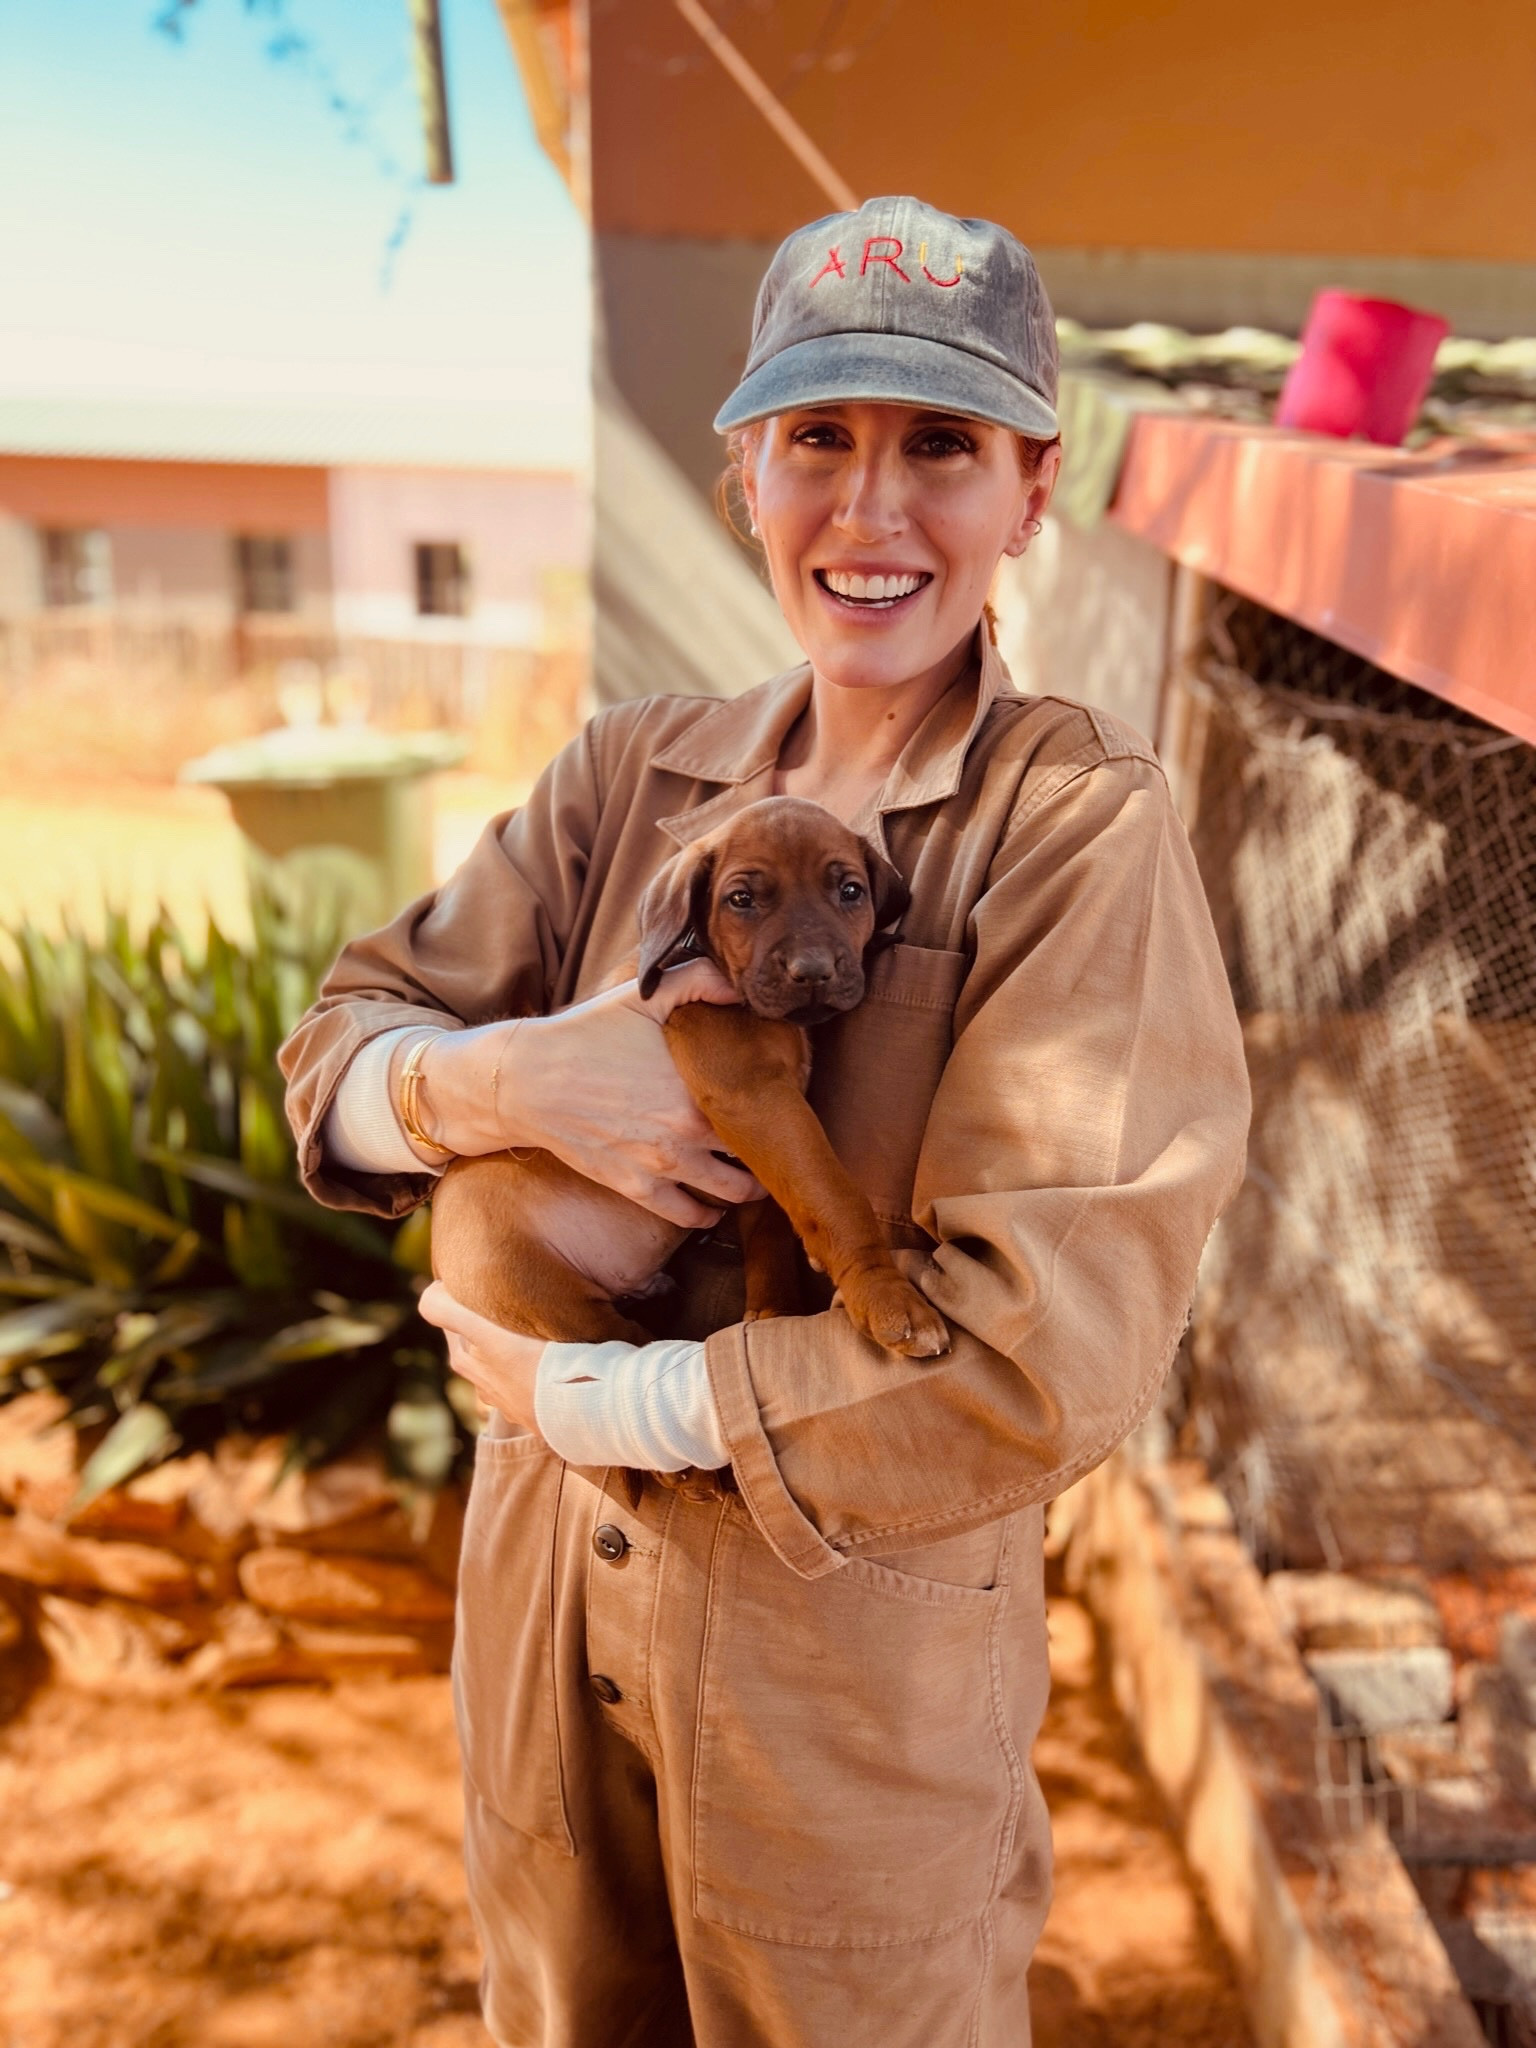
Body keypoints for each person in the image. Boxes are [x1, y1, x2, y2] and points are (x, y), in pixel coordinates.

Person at [279, 195, 1250, 2048]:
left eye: (941, 444)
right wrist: (503, 1080)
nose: (870, 512)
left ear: (1032, 490)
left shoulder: (1071, 828)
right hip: (549, 1649)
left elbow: (1040, 1355)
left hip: (842, 1710)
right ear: (745, 476)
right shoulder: (624, 780)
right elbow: (339, 1050)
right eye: (818, 437)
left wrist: (610, 1401)